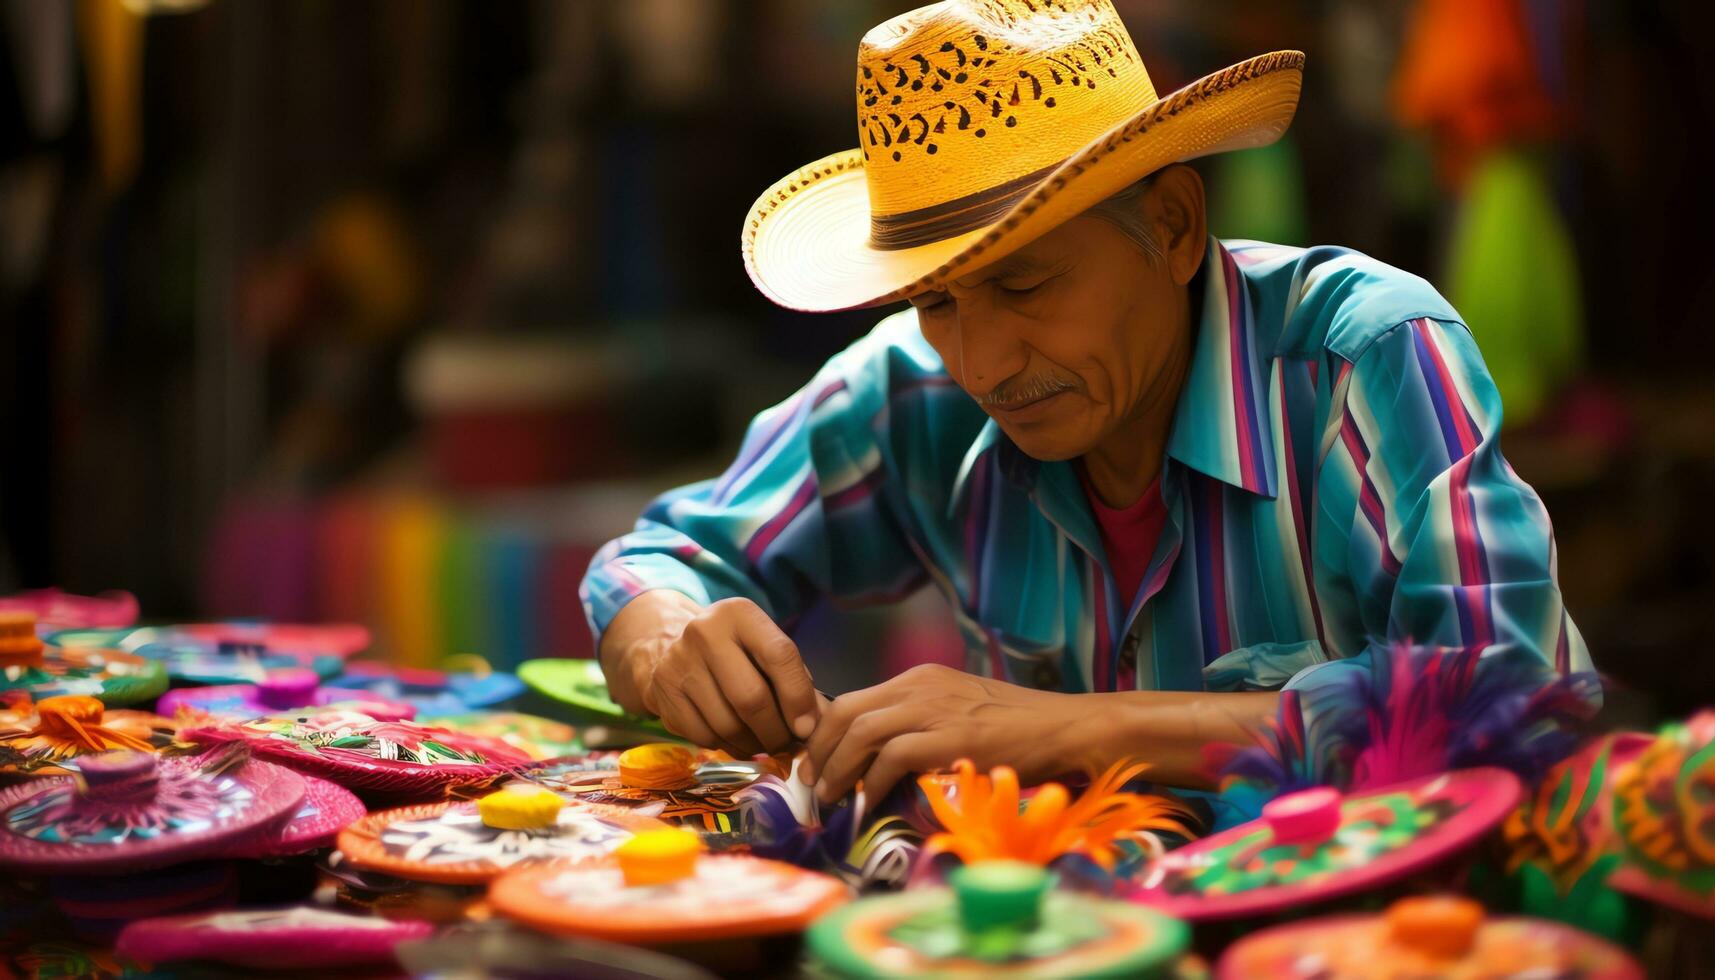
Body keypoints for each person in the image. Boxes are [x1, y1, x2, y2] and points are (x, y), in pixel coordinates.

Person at [581, 0, 1597, 807]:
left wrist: (1062, 726)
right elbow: (655, 559)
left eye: (1024, 286)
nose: (979, 361)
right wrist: (668, 634)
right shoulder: (912, 387)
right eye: (933, 298)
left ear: (1170, 225)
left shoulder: (1360, 359)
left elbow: (1513, 699)